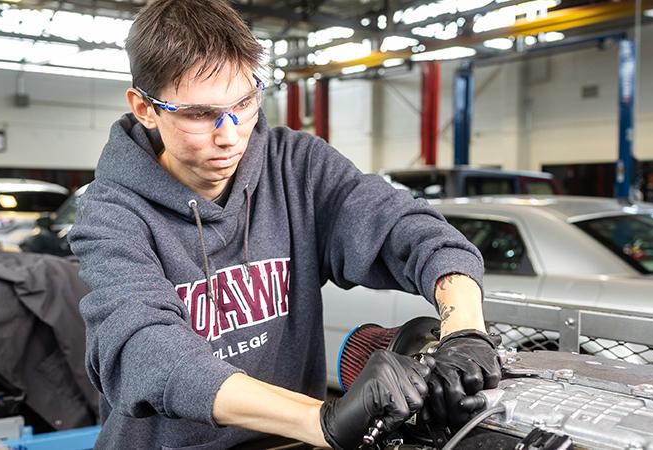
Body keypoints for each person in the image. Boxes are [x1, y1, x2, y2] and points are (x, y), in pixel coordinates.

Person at [69, 0, 502, 448]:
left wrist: (465, 328)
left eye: (244, 103)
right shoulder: (112, 212)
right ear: (144, 108)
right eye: (199, 114)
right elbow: (143, 348)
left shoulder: (297, 167)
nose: (230, 134)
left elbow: (409, 230)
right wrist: (322, 419)